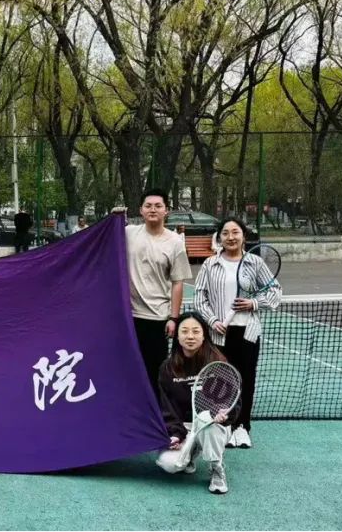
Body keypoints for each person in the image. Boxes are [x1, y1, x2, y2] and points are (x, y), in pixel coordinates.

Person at [193, 217, 281, 449]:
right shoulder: (210, 264)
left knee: (245, 379)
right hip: (219, 333)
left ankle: (242, 427)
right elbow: (199, 297)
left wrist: (253, 303)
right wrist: (212, 321)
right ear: (219, 237)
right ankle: (224, 426)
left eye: (235, 232)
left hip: (247, 333)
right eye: (225, 233)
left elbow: (275, 292)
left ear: (243, 236)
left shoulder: (255, 263)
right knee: (220, 381)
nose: (230, 237)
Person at [112, 190, 193, 397]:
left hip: (158, 317)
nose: (153, 209)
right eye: (148, 206)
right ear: (141, 210)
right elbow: (103, 239)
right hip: (129, 317)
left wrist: (173, 318)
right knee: (127, 369)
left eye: (158, 206)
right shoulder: (128, 233)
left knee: (155, 371)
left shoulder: (175, 242)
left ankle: (156, 412)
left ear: (166, 211)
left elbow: (177, 282)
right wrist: (113, 218)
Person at [155, 312, 238, 494]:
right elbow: (167, 408)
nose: (190, 336)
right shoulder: (168, 368)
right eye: (184, 331)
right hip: (185, 426)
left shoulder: (218, 363)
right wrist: (175, 434)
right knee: (169, 464)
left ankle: (216, 468)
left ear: (204, 335)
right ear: (177, 336)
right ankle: (190, 453)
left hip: (213, 425)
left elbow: (232, 401)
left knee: (207, 421)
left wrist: (225, 415)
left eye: (195, 331)